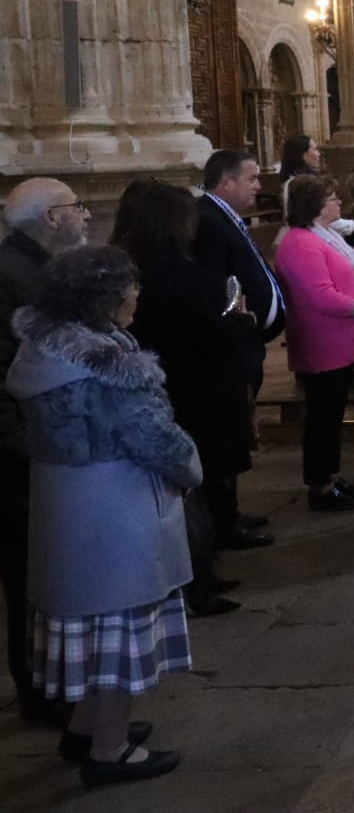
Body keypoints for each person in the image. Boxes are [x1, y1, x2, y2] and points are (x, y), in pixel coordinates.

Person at [7, 246, 197, 787]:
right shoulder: (108, 369)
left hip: (67, 507)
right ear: (103, 299)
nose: (136, 294)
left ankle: (84, 728)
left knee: (90, 627)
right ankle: (110, 751)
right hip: (115, 511)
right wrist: (191, 467)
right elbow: (155, 438)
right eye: (128, 287)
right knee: (119, 629)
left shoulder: (44, 353)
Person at [119, 183, 261, 617]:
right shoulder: (173, 270)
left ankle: (201, 572)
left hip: (180, 383)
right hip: (194, 388)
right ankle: (197, 583)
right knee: (191, 489)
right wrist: (243, 323)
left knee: (191, 489)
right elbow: (202, 327)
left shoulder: (145, 262)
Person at [0, 178, 91, 726]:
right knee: (30, 578)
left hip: (45, 447)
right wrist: (27, 449)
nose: (85, 215)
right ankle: (42, 692)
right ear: (52, 219)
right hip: (24, 456)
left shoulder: (33, 270)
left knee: (50, 574)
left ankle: (62, 688)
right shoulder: (11, 276)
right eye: (77, 207)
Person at [275, 176, 354, 512]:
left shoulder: (326, 236)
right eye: (332, 199)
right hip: (321, 340)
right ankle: (319, 485)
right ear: (315, 206)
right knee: (321, 417)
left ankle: (331, 475)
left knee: (333, 414)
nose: (339, 204)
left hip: (341, 337)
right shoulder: (299, 243)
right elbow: (320, 296)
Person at [193, 151, 285, 540]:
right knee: (225, 432)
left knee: (235, 429)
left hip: (244, 342)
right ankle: (223, 521)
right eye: (251, 178)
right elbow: (218, 285)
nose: (258, 185)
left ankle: (230, 511)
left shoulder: (221, 216)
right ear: (226, 181)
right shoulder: (209, 220)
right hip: (230, 346)